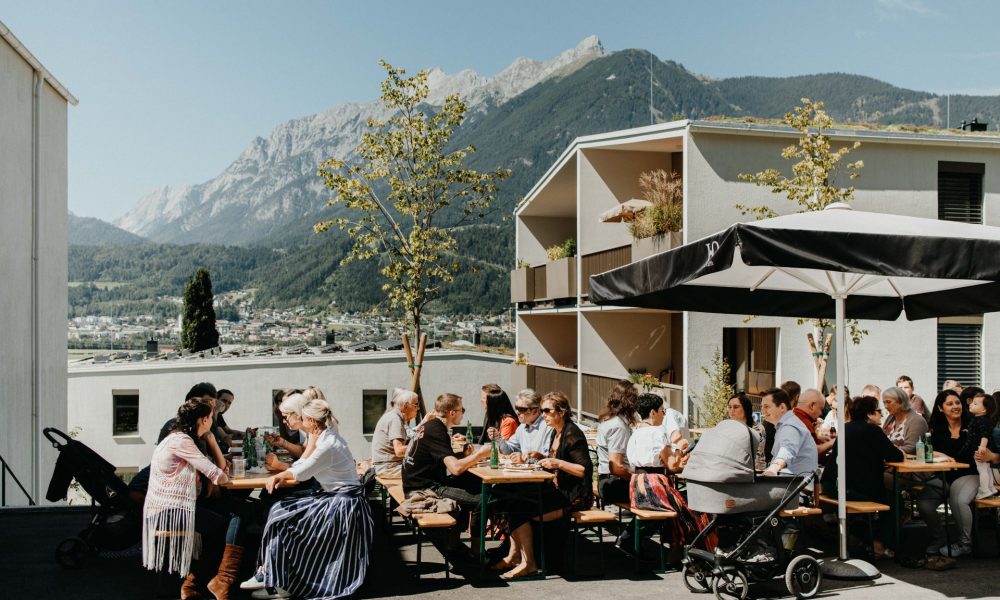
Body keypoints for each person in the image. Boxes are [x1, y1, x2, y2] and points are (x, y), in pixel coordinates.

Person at [242, 398, 372, 600]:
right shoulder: (324, 437)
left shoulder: (327, 444)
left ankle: (276, 578)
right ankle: (275, 576)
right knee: (279, 510)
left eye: (302, 418)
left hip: (343, 506)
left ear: (311, 421)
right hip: (337, 498)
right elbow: (304, 463)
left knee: (282, 516)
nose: (299, 421)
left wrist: (277, 475)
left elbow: (303, 471)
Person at [492, 391, 593, 579]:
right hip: (558, 491)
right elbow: (553, 459)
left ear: (561, 412)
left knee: (520, 507)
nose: (543, 414)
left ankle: (529, 563)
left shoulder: (572, 433)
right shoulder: (557, 431)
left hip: (574, 497)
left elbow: (583, 470)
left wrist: (557, 463)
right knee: (511, 501)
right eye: (542, 410)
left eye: (547, 410)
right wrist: (541, 457)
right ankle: (516, 556)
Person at [142, 396, 232, 600]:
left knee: (225, 515)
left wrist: (210, 439)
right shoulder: (182, 442)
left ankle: (207, 580)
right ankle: (194, 584)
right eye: (210, 417)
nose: (213, 420)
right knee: (224, 525)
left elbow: (218, 470)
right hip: (169, 510)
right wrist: (211, 441)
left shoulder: (180, 438)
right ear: (203, 420)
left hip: (172, 506)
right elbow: (220, 475)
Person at [402, 393, 491, 554]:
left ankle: (453, 543)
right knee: (483, 500)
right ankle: (477, 553)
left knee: (471, 481)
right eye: (461, 410)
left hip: (417, 483)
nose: (463, 413)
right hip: (424, 489)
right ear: (452, 413)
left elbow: (442, 459)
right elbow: (455, 468)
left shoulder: (432, 426)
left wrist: (465, 455)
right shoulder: (437, 430)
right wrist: (480, 454)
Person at [821, 395, 903, 559]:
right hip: (852, 489)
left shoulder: (845, 428)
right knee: (895, 499)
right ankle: (879, 544)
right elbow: (895, 457)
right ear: (870, 413)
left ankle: (863, 539)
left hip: (832, 486)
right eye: (878, 410)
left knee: (882, 496)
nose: (881, 414)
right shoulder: (872, 430)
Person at [917, 389, 978, 557]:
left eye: (957, 403)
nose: (955, 406)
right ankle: (940, 538)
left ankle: (965, 543)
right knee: (924, 503)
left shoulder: (973, 424)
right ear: (940, 408)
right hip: (944, 476)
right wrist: (940, 455)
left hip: (970, 474)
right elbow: (926, 450)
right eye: (950, 404)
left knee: (957, 499)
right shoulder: (936, 428)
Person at [596, 379, 638, 505]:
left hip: (606, 482)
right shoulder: (618, 426)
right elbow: (615, 467)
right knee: (657, 495)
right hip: (614, 484)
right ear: (630, 403)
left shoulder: (609, 420)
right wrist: (635, 478)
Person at [761, 387, 818, 476]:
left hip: (797, 487)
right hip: (792, 484)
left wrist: (773, 468)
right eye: (762, 407)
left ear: (782, 407)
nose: (762, 411)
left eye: (766, 407)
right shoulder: (786, 424)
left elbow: (787, 450)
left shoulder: (790, 426)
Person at [627, 393, 687, 473]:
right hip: (654, 481)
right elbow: (672, 466)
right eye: (662, 411)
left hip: (637, 480)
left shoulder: (635, 434)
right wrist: (679, 447)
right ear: (653, 413)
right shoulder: (658, 433)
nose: (664, 415)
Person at [371, 388, 420, 476]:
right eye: (416, 405)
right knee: (426, 469)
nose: (418, 408)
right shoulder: (395, 419)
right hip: (389, 468)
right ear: (405, 406)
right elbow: (399, 451)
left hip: (388, 466)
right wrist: (422, 446)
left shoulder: (395, 416)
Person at [497, 388, 552, 462]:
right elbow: (508, 451)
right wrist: (498, 437)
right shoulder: (522, 428)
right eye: (516, 408)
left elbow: (549, 459)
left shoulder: (548, 427)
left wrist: (524, 460)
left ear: (535, 411)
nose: (517, 412)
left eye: (522, 409)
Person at [965, 392, 998, 499]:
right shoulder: (981, 419)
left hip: (980, 449)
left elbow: (985, 434)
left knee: (982, 469)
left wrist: (982, 447)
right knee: (987, 469)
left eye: (975, 404)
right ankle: (990, 487)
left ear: (984, 409)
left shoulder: (981, 420)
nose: (971, 404)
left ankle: (984, 489)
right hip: (984, 449)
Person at [880, 386, 928, 455]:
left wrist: (889, 450)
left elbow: (911, 448)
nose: (886, 406)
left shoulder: (917, 420)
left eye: (888, 402)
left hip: (909, 463)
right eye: (884, 403)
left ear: (901, 402)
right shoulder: (890, 418)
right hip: (891, 462)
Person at [264, 389, 305, 459]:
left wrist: (280, 466)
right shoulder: (300, 424)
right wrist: (282, 442)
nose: (279, 405)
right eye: (278, 402)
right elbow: (301, 451)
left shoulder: (309, 428)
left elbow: (302, 454)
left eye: (282, 401)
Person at [796, 389, 836, 456]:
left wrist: (818, 438)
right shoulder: (803, 422)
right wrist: (833, 442)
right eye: (820, 409)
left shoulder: (795, 416)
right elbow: (813, 451)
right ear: (812, 405)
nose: (820, 413)